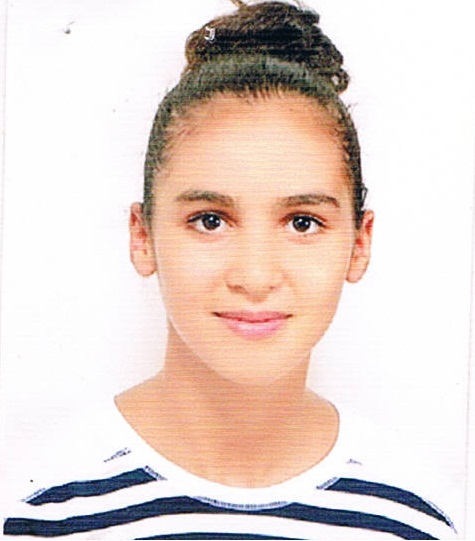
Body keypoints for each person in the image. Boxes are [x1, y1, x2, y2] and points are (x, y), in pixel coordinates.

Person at [2, 1, 458, 539]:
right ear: (142, 236)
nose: (255, 276)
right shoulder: (44, 509)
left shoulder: (414, 517)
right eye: (211, 220)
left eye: (303, 222)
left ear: (360, 244)